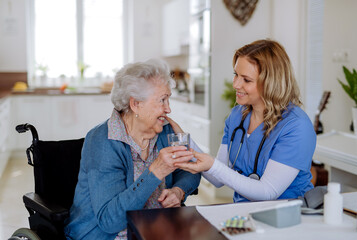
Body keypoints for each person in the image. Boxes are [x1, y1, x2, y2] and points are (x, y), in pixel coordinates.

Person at [64, 59, 201, 240]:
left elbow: (191, 169)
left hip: (155, 229)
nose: (168, 109)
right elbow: (110, 221)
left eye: (168, 99)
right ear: (135, 104)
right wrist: (156, 171)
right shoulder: (103, 141)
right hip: (108, 235)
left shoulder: (165, 130)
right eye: (162, 100)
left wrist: (179, 190)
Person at [174, 39, 316, 202]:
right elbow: (218, 179)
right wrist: (183, 139)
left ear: (271, 83)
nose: (236, 84)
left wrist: (213, 165)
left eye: (246, 80)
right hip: (245, 214)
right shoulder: (237, 116)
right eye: (236, 75)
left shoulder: (296, 126)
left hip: (288, 216)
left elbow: (268, 192)